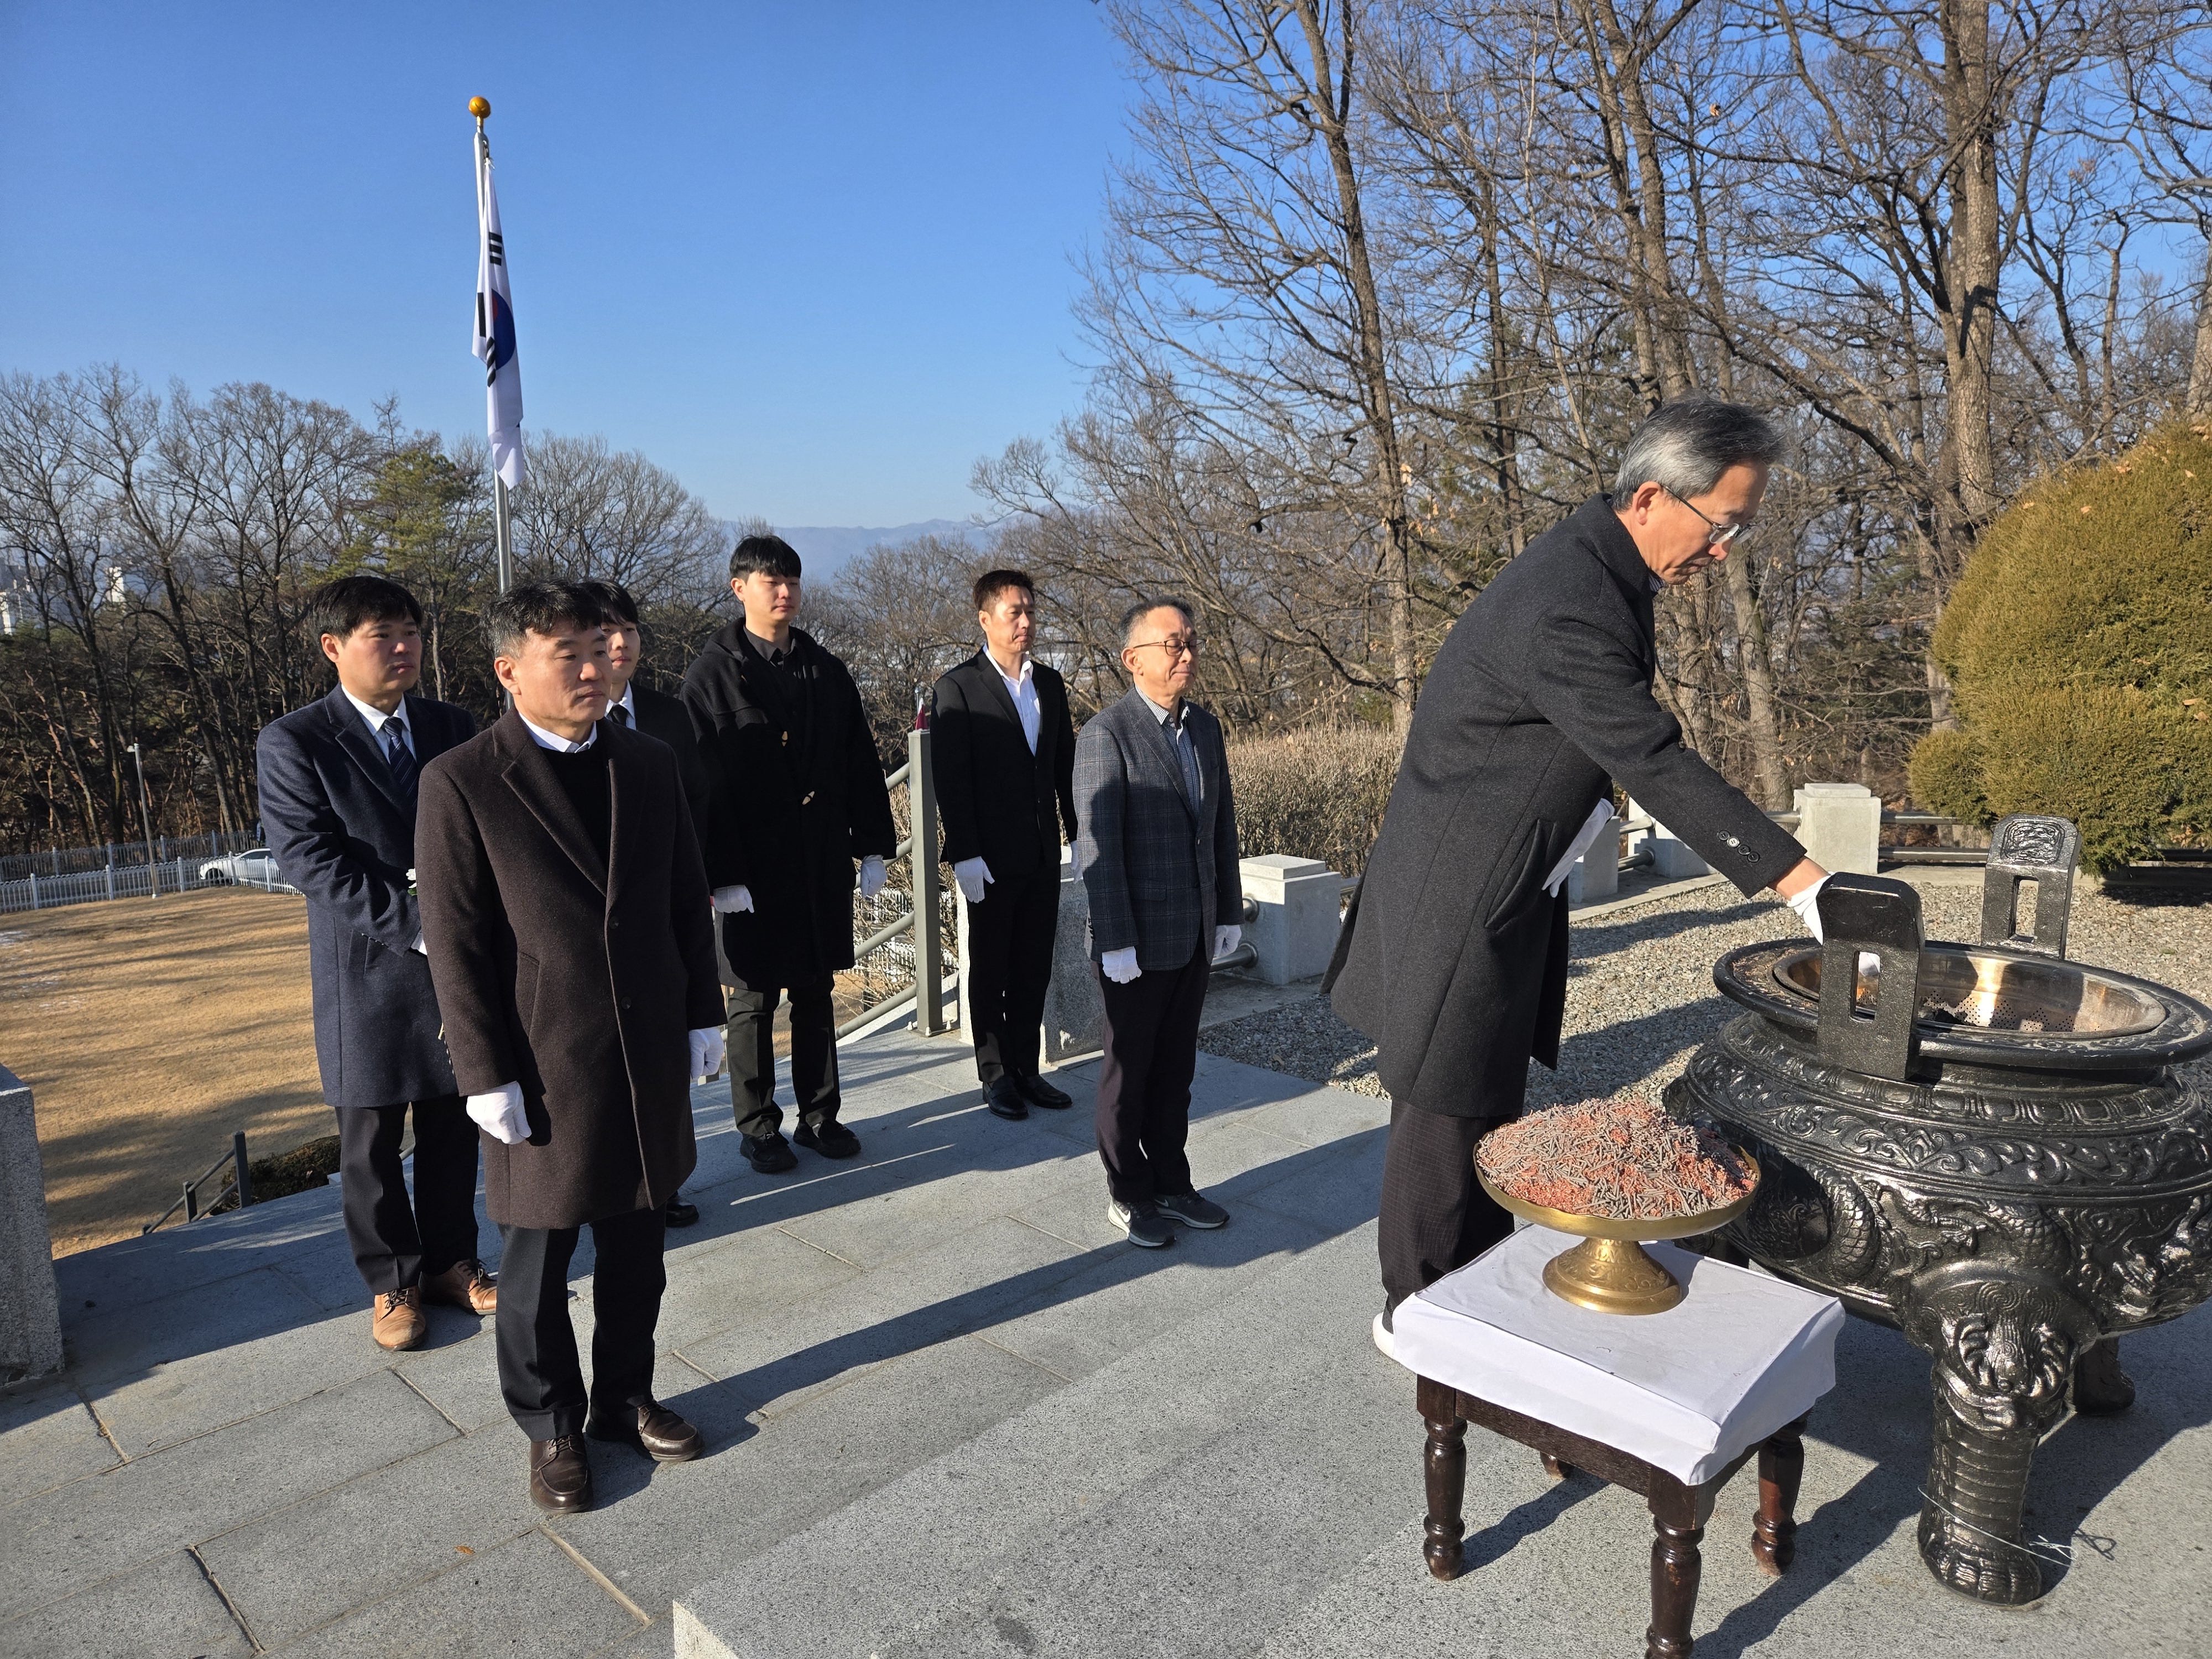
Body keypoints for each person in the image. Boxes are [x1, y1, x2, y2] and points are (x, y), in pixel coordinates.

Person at [1324, 398, 1832, 1353]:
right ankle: (1419, 1318)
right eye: (1723, 525)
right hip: (1462, 892)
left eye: (1741, 529)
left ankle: (1467, 1289)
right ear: (1651, 498)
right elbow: (1649, 754)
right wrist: (1803, 883)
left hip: (1502, 881)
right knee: (1441, 1119)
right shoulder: (1567, 600)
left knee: (1484, 1104)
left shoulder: (1604, 569)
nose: (1725, 551)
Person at [415, 581, 727, 1514]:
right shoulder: (463, 781)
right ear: (511, 670)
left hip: (644, 1049)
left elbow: (685, 896)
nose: (596, 669)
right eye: (571, 655)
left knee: (640, 1241)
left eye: (603, 647)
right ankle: (552, 1424)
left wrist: (704, 1012)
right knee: (538, 1261)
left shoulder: (649, 760)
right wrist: (482, 1073)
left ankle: (625, 1395)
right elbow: (458, 939)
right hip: (541, 1058)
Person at [257, 576, 492, 1352]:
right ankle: (393, 1280)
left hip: (460, 959)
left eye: (412, 633)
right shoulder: (297, 741)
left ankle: (454, 1262)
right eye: (383, 635)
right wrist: (419, 924)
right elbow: (310, 859)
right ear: (334, 647)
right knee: (371, 1138)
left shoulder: (452, 724)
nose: (404, 649)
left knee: (461, 1121)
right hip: (367, 967)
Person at [679, 534, 898, 1175]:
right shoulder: (712, 673)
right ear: (738, 587)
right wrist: (720, 874)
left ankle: (821, 1113)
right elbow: (701, 785)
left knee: (815, 987)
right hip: (749, 861)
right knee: (751, 996)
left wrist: (874, 845)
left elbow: (859, 758)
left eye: (792, 582)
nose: (784, 593)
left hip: (818, 852)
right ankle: (757, 1124)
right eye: (770, 581)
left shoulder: (824, 667)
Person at [1072, 599, 1244, 1249]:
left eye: (1191, 642)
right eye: (1172, 644)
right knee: (1129, 1072)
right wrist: (1114, 938)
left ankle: (1173, 1182)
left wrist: (1226, 910)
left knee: (1176, 1071)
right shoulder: (1105, 735)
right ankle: (1128, 1192)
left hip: (1194, 932)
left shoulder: (1205, 728)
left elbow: (1220, 828)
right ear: (1133, 658)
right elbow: (1098, 846)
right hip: (1135, 943)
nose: (1187, 654)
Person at [576, 578, 714, 1230]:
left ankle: (665, 1182)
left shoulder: (670, 714)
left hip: (664, 908)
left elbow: (704, 803)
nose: (618, 644)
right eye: (602, 633)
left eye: (627, 629)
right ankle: (604, 1185)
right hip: (589, 923)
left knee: (662, 1056)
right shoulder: (569, 721)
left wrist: (718, 879)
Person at [931, 569, 1079, 1121]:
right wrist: (964, 852)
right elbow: (953, 778)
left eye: (1031, 612)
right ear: (984, 618)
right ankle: (995, 1075)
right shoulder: (958, 687)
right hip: (987, 859)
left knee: (1032, 965)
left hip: (1041, 853)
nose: (1025, 622)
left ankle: (1026, 1070)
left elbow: (1062, 766)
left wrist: (1078, 833)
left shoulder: (1050, 684)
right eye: (1014, 612)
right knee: (989, 969)